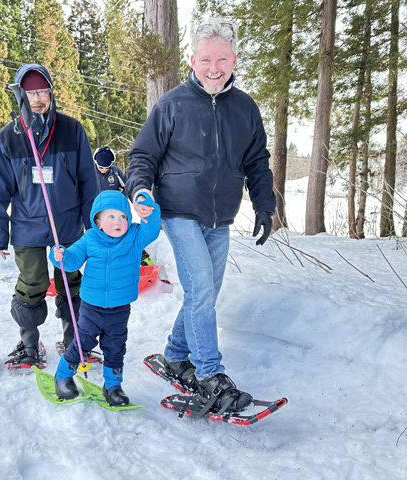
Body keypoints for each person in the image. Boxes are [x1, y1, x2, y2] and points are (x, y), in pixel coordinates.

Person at [125, 19, 275, 415]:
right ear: (193, 60)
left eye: (221, 59)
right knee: (201, 291)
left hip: (220, 217)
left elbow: (257, 162)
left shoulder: (244, 108)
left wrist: (265, 205)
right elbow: (142, 156)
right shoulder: (172, 104)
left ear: (234, 60)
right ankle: (210, 374)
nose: (213, 67)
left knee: (205, 291)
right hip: (178, 212)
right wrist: (139, 189)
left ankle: (176, 354)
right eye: (205, 59)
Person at [0, 63, 98, 368]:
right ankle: (29, 343)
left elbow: (89, 179)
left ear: (51, 93)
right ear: (21, 95)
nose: (37, 98)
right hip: (27, 226)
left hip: (67, 224)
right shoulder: (9, 137)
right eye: (31, 92)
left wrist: (95, 223)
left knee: (70, 279)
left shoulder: (72, 130)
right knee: (32, 282)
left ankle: (75, 339)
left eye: (42, 91)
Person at [49, 190, 161, 406]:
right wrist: (60, 255)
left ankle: (113, 385)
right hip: (92, 307)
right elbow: (71, 262)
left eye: (123, 217)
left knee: (115, 347)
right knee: (83, 343)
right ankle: (63, 375)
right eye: (111, 216)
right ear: (98, 221)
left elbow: (152, 228)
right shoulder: (90, 238)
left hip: (120, 308)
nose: (119, 222)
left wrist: (147, 205)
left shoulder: (135, 237)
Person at [93, 146, 153, 267]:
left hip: (116, 211)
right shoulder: (89, 173)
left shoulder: (115, 172)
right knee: (101, 240)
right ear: (95, 162)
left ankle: (145, 261)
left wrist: (123, 198)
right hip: (97, 213)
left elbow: (128, 186)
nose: (104, 169)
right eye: (101, 167)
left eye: (106, 167)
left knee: (125, 234)